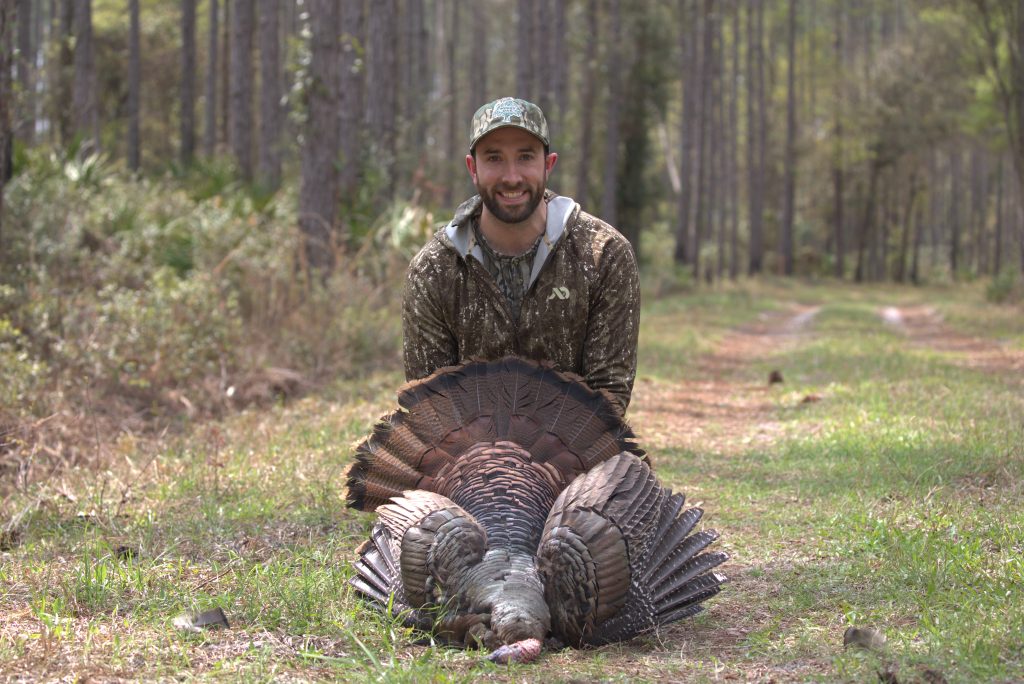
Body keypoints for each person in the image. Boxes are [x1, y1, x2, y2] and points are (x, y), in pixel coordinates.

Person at [402, 97, 641, 412]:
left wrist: (546, 459)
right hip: (467, 455)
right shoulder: (433, 268)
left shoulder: (603, 255)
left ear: (548, 164)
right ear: (473, 168)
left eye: (525, 157)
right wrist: (488, 461)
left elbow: (607, 399)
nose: (511, 177)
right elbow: (432, 404)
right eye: (494, 158)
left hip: (574, 453)